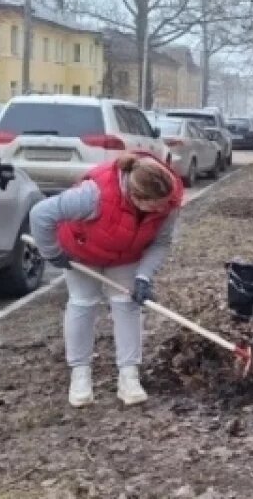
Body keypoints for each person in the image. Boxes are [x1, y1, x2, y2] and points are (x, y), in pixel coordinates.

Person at [30, 152, 183, 407]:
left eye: (164, 204)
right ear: (135, 197)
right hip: (81, 252)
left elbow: (161, 243)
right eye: (155, 206)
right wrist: (53, 253)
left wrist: (144, 276)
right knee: (83, 303)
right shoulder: (94, 195)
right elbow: (40, 214)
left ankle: (129, 376)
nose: (161, 210)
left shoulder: (168, 201)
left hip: (127, 255)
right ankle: (80, 375)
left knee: (128, 304)